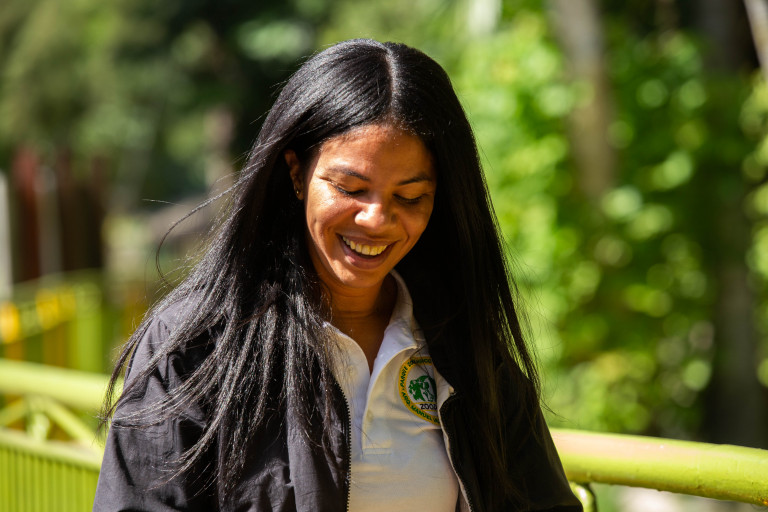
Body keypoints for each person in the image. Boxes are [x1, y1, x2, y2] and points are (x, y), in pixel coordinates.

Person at [93, 39, 582, 512]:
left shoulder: (464, 346)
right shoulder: (194, 347)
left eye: (410, 197)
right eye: (350, 187)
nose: (377, 218)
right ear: (296, 173)